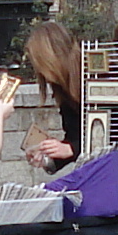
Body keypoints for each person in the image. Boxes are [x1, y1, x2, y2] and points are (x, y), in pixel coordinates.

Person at [19, 22, 84, 170]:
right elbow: (74, 138)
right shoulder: (64, 89)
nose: (39, 72)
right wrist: (48, 158)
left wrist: (72, 149)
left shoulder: (95, 79)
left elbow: (115, 134)